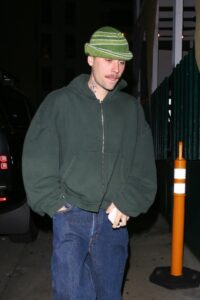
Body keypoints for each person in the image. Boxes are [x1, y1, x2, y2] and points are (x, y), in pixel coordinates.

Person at [22, 26, 157, 300]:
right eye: (108, 59)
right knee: (70, 294)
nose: (116, 68)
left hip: (113, 220)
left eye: (121, 62)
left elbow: (143, 167)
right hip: (71, 216)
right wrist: (54, 202)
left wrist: (127, 203)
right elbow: (38, 155)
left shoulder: (130, 110)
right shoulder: (59, 103)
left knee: (108, 294)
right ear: (90, 58)